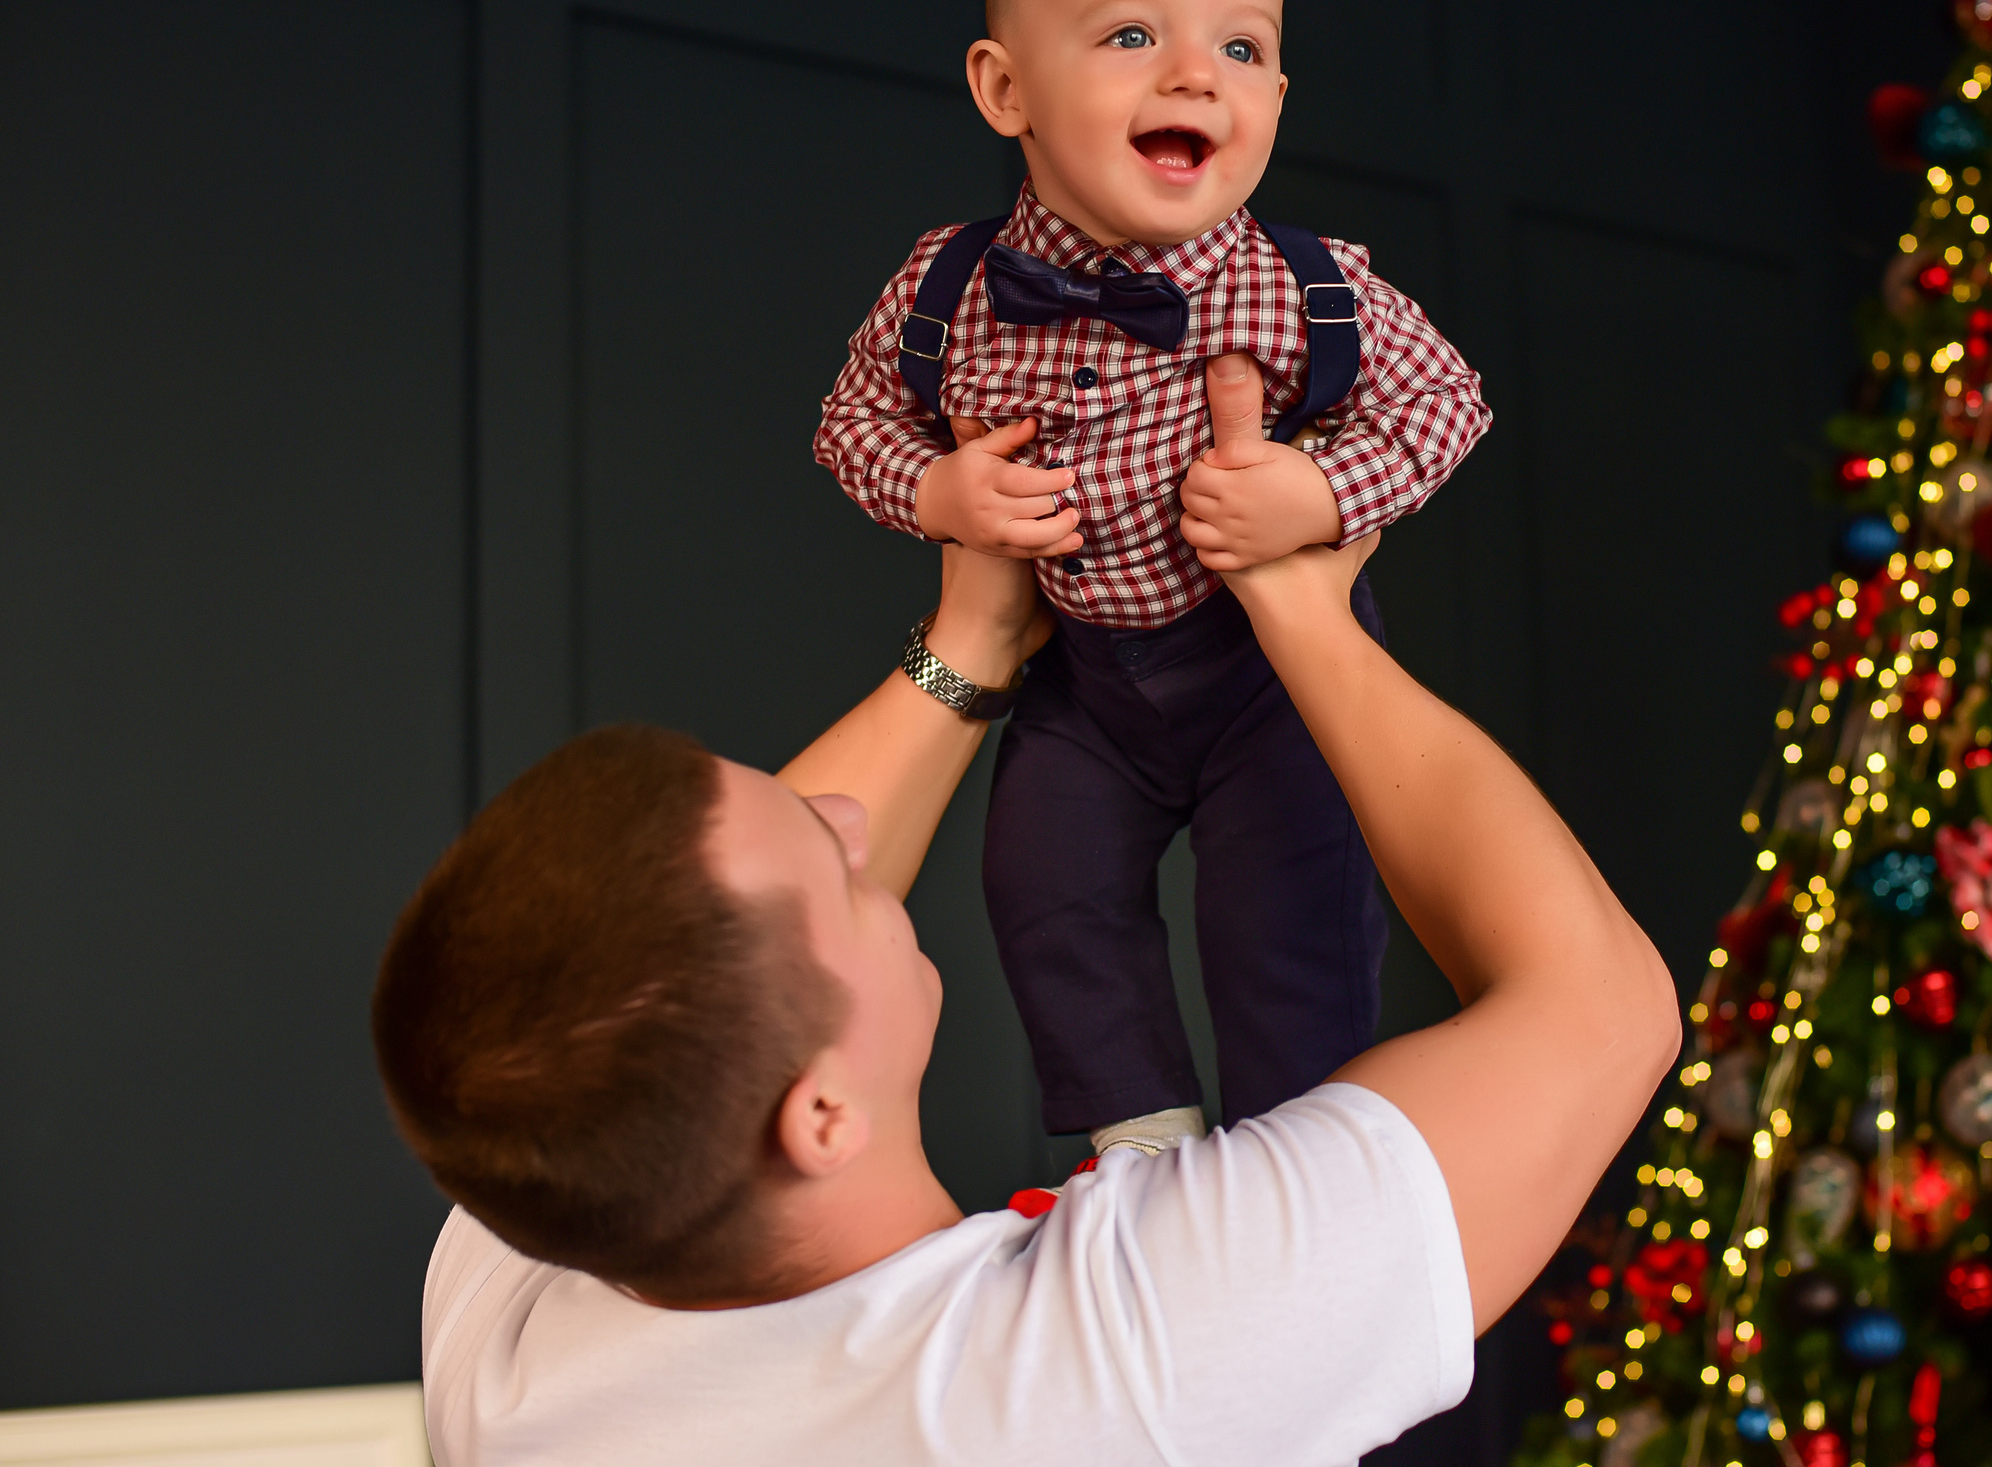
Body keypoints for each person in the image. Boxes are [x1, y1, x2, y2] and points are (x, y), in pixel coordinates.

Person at [374, 359, 1678, 1466]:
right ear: (817, 1114)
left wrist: (973, 640)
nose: (846, 821)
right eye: (834, 872)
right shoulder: (1117, 1362)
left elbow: (694, 970)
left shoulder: (516, 1288)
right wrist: (1304, 610)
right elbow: (1603, 1008)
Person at [812, 0, 1491, 1157]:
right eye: (1134, 34)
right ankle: (1142, 1154)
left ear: (1278, 97)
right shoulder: (946, 290)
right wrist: (940, 488)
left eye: (1242, 48)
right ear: (1004, 86)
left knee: (1284, 923)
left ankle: (1298, 1171)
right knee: (1046, 893)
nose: (1196, 76)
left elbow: (1446, 404)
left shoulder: (1304, 290)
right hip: (1086, 682)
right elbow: (851, 426)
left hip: (1263, 680)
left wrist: (1315, 490)